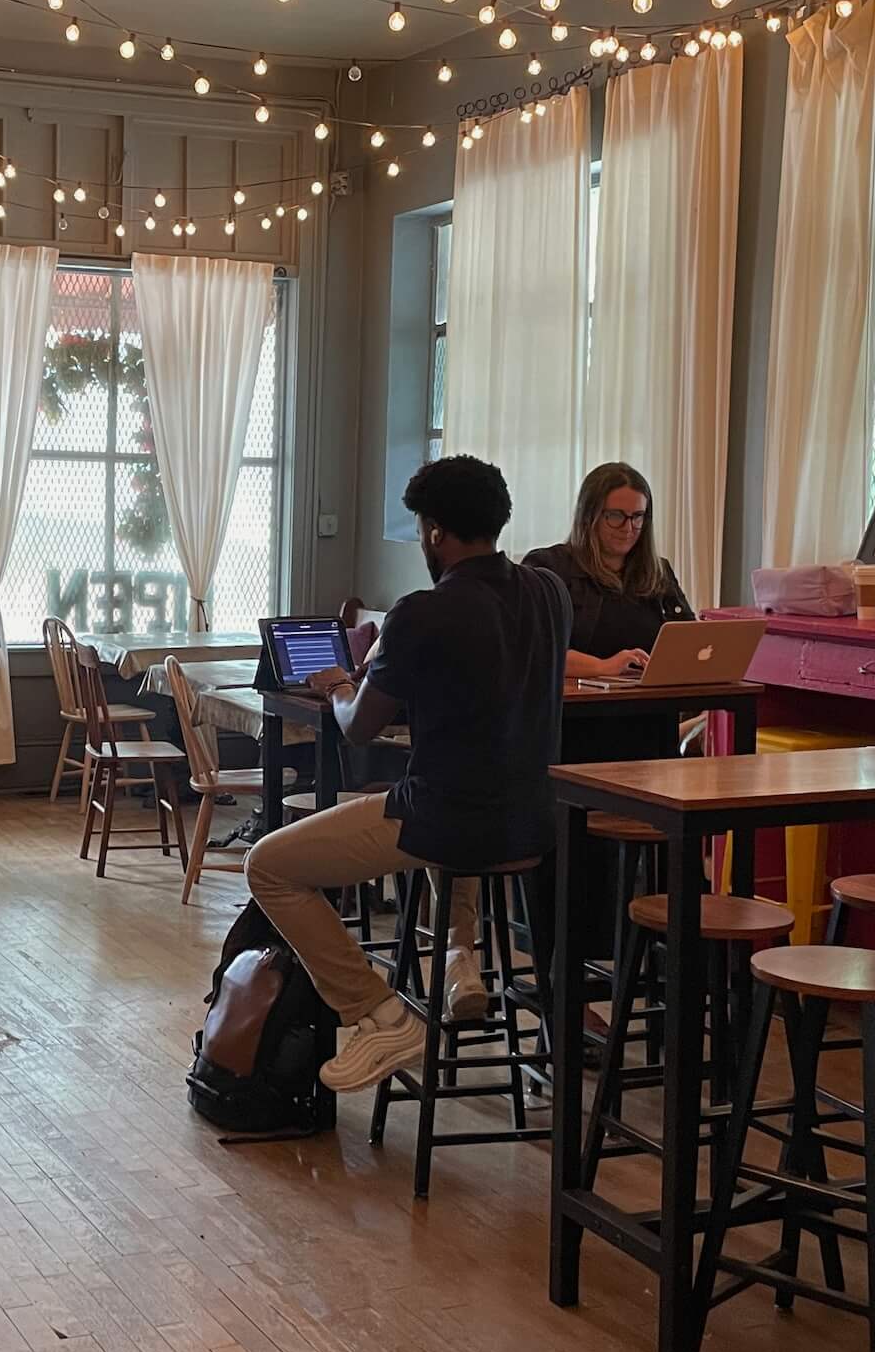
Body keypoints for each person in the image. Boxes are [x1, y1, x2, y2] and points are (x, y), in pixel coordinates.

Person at [243, 455, 569, 1091]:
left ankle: (378, 1011)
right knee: (452, 832)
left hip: (442, 821)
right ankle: (456, 962)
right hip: (533, 823)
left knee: (268, 864)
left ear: (435, 532)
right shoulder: (550, 592)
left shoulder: (421, 612)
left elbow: (360, 725)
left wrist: (340, 685)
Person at [524, 461, 697, 764]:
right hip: (578, 731)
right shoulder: (549, 568)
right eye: (616, 516)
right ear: (589, 515)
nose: (629, 528)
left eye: (638, 517)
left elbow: (690, 641)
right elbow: (535, 652)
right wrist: (604, 666)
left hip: (649, 725)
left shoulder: (658, 573)